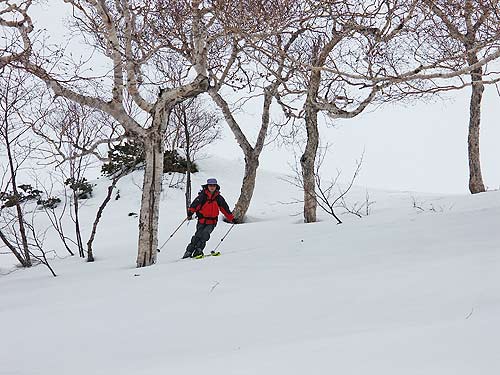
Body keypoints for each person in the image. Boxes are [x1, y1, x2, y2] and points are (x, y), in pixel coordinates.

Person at [182, 178, 236, 259]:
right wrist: (191, 212)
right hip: (201, 220)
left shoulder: (219, 198)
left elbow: (224, 208)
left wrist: (231, 218)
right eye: (210, 185)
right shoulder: (202, 196)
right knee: (197, 235)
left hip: (212, 221)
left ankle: (198, 251)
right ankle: (189, 251)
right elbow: (195, 205)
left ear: (216, 186)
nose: (212, 187)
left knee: (205, 235)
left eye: (214, 185)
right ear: (207, 186)